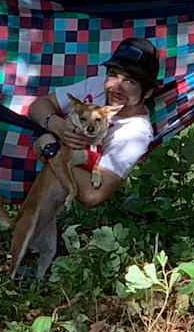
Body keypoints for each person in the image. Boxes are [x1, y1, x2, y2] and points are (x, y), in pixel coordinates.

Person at [25, 37, 160, 207]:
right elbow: (38, 106)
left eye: (130, 81)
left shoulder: (135, 133)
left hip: (60, 198)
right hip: (27, 168)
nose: (116, 87)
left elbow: (92, 193)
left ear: (147, 92)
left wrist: (50, 150)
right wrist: (56, 125)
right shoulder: (97, 86)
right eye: (113, 75)